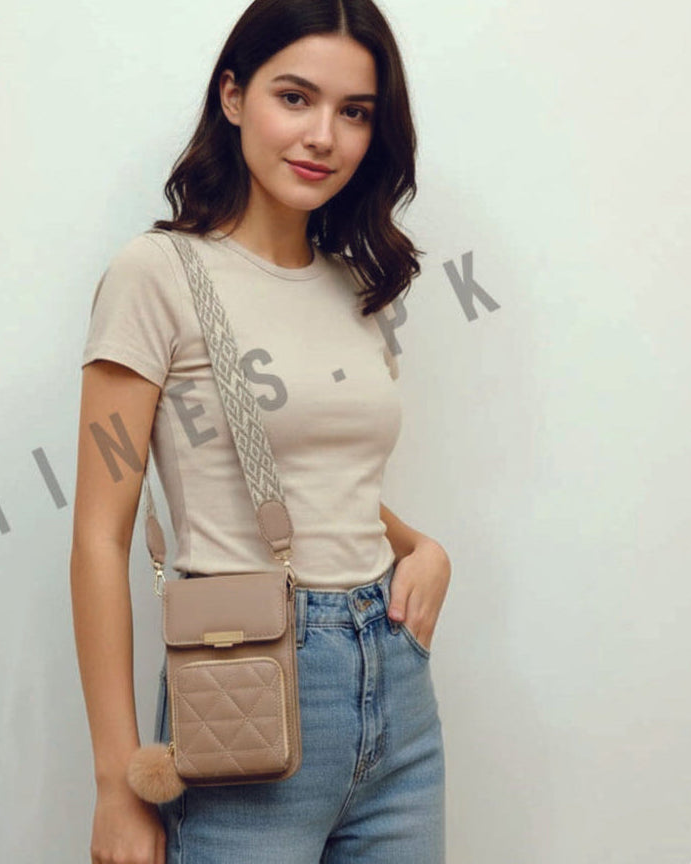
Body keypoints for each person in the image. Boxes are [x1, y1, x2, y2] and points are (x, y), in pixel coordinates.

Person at [70, 1, 452, 861]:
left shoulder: (355, 285)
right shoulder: (158, 274)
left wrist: (421, 548)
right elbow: (99, 535)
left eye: (355, 112)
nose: (324, 135)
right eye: (295, 97)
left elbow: (324, 478)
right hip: (245, 684)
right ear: (234, 96)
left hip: (398, 703)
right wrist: (117, 781)